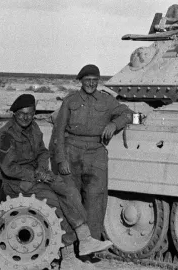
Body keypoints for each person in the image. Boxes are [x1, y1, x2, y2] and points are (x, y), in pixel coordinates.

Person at [0, 94, 113, 270]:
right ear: (14, 113)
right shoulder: (5, 135)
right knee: (56, 203)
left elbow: (42, 152)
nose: (26, 117)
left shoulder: (33, 127)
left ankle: (84, 238)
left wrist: (42, 169)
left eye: (30, 113)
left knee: (69, 191)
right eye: (22, 114)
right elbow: (8, 168)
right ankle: (68, 259)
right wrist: (37, 174)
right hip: (18, 182)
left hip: (37, 176)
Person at [52, 64, 133, 243]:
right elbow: (58, 132)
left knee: (95, 201)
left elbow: (128, 113)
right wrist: (61, 159)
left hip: (96, 154)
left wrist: (114, 124)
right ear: (81, 81)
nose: (91, 84)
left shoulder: (106, 101)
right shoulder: (70, 101)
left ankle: (92, 246)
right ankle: (70, 247)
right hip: (71, 151)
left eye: (95, 81)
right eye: (88, 80)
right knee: (71, 200)